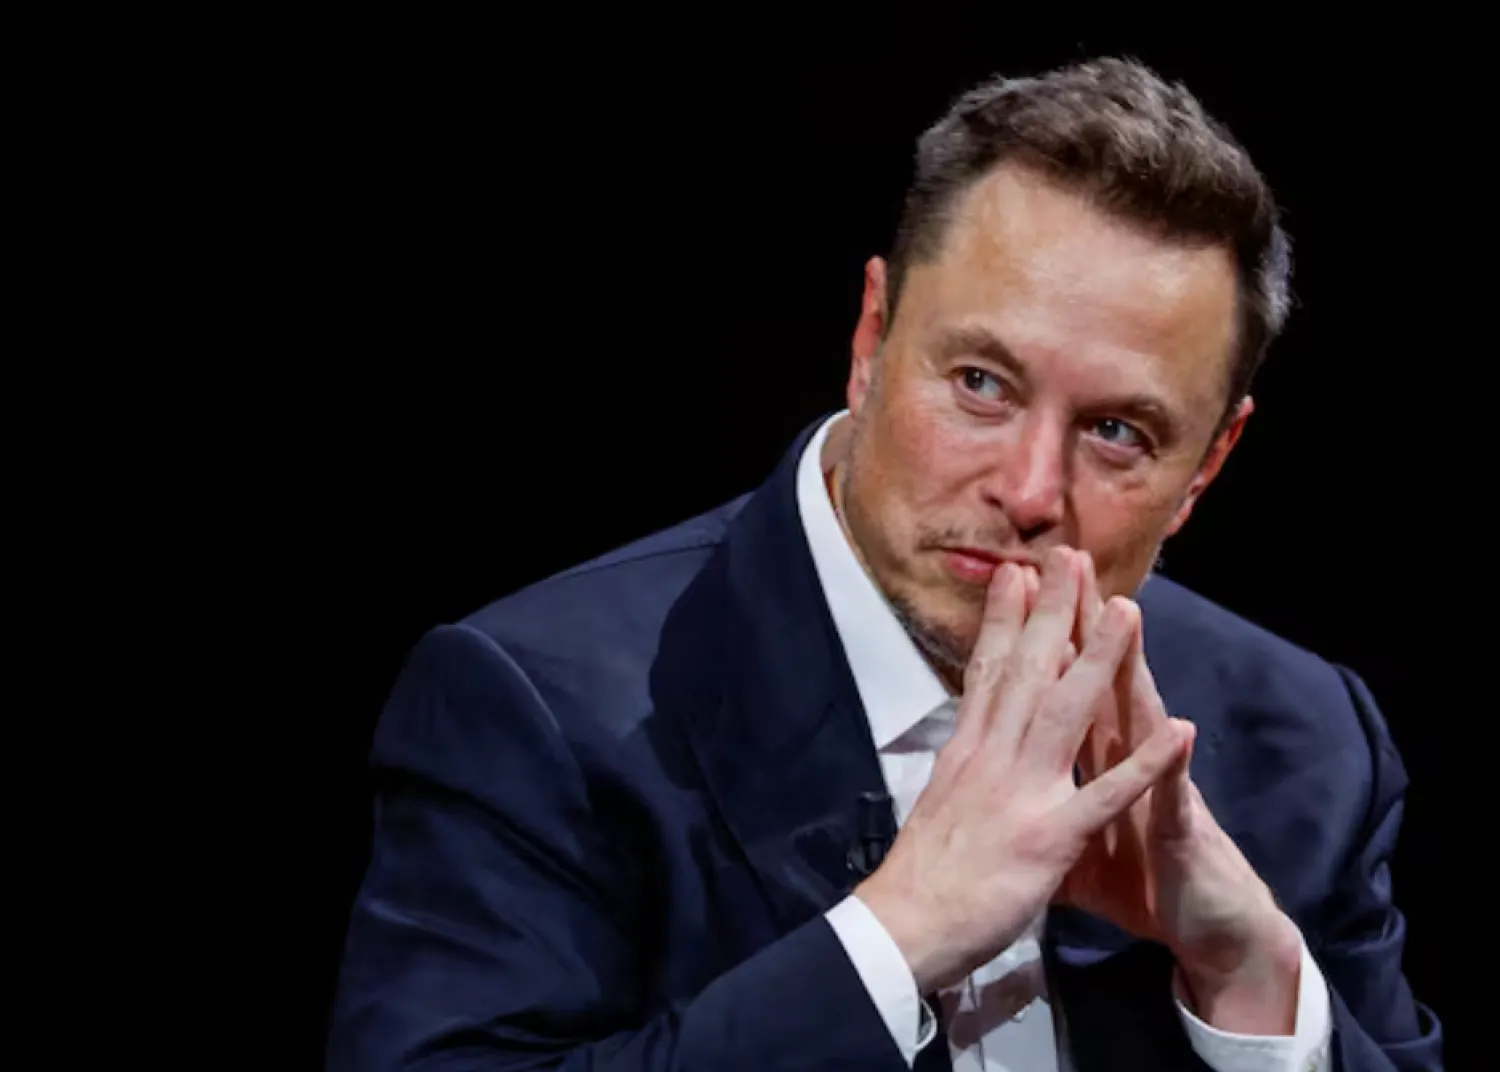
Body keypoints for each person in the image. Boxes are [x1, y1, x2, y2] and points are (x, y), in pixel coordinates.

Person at [327, 58, 1442, 1071]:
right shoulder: (534, 711)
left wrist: (1254, 986)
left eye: (1118, 433)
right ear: (871, 337)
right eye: (980, 385)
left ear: (1210, 461)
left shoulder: (1309, 740)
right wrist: (892, 936)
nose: (1031, 491)